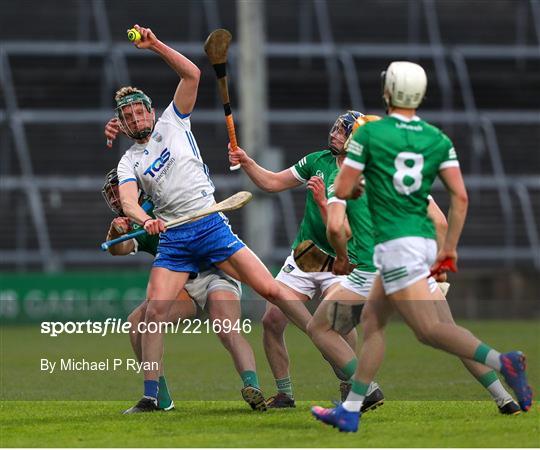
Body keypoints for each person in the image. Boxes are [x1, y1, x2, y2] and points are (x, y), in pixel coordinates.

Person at [311, 61, 532, 432]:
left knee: (429, 332)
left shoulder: (369, 138)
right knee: (374, 323)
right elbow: (458, 199)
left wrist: (343, 246)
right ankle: (351, 410)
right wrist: (449, 253)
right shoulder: (436, 138)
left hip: (397, 247)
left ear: (388, 92)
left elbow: (338, 216)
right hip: (421, 246)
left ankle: (504, 362)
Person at [108, 24, 289, 414]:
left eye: (140, 110)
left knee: (229, 327)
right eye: (127, 115)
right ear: (122, 124)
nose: (136, 118)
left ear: (151, 112)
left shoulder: (173, 123)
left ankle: (256, 388)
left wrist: (155, 43)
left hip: (214, 256)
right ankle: (156, 396)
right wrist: (138, 220)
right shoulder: (140, 184)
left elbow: (191, 73)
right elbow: (126, 219)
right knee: (143, 321)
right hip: (184, 276)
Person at [305, 152, 520, 416]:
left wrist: (338, 252)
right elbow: (440, 221)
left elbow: (340, 230)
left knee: (320, 328)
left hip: (375, 272)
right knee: (447, 332)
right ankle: (503, 395)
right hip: (417, 268)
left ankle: (366, 391)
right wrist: (440, 267)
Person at [228, 111, 383, 410]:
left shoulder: (365, 179)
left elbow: (346, 233)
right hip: (306, 256)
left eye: (343, 132)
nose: (335, 134)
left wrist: (323, 203)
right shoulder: (318, 160)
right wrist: (246, 162)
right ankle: (285, 394)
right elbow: (272, 183)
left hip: (343, 260)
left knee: (337, 325)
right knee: (271, 320)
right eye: (336, 128)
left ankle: (354, 386)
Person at [101, 169, 266, 412]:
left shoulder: (167, 200)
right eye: (112, 195)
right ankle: (160, 399)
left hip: (216, 273)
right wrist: (116, 231)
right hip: (183, 285)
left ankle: (253, 387)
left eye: (118, 192)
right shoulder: (135, 220)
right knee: (138, 322)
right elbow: (120, 248)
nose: (116, 200)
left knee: (225, 327)